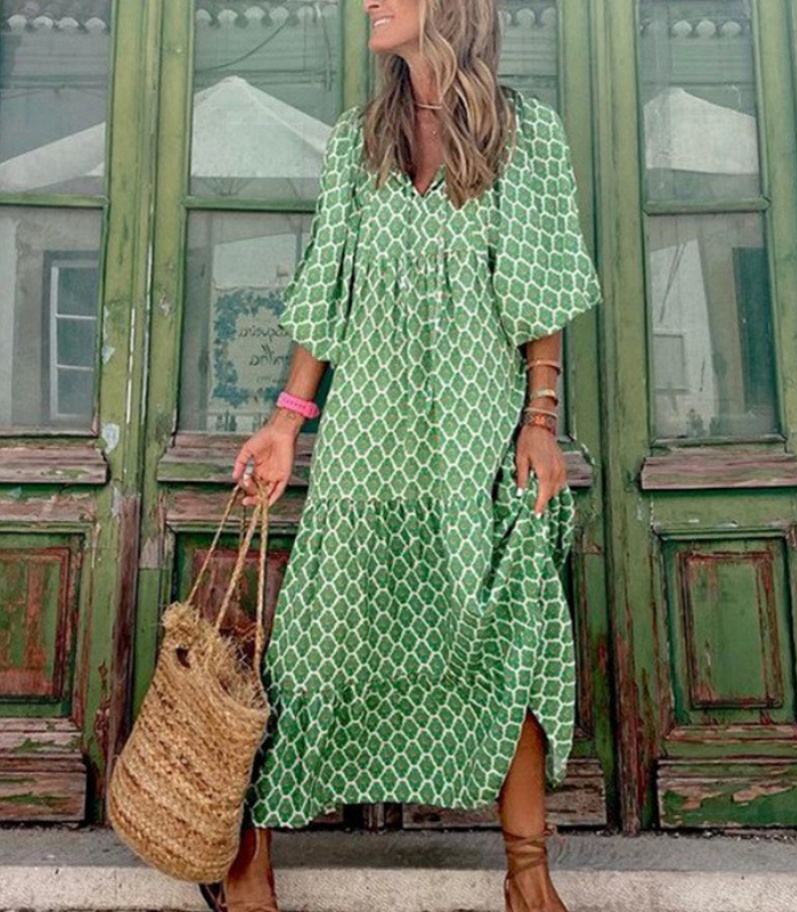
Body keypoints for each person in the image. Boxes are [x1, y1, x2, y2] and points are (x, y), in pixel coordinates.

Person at [201, 1, 602, 909]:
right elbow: (327, 290)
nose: (369, 2)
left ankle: (528, 874)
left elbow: (541, 289)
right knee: (316, 643)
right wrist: (286, 422)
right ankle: (248, 848)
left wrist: (540, 420)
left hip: (473, 439)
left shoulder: (527, 135)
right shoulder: (360, 141)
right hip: (367, 444)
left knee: (506, 634)